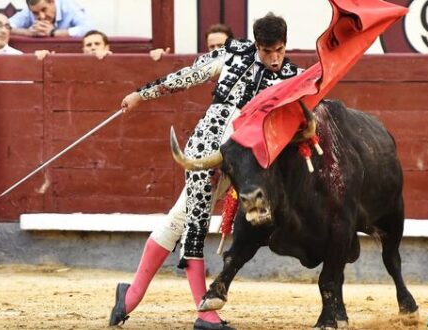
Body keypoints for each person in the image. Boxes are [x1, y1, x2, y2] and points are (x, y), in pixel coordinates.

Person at [109, 13, 302, 330]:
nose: (275, 58)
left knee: (176, 220)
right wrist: (140, 95)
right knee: (195, 227)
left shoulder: (291, 77)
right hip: (204, 154)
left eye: (280, 50)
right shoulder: (231, 54)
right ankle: (205, 314)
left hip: (241, 166)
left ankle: (130, 295)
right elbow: (187, 76)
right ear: (257, 45)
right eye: (268, 52)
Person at [34, 30, 170, 61]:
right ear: (83, 50)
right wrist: (47, 58)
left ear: (107, 48)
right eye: (89, 45)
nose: (93, 47)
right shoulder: (75, 63)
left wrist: (158, 56)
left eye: (97, 44)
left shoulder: (117, 61)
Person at [9, 0, 93, 38]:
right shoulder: (30, 10)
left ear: (52, 1)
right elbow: (6, 26)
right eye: (35, 13)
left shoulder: (69, 6)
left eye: (44, 10)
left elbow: (89, 28)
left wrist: (54, 32)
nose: (41, 16)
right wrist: (28, 32)